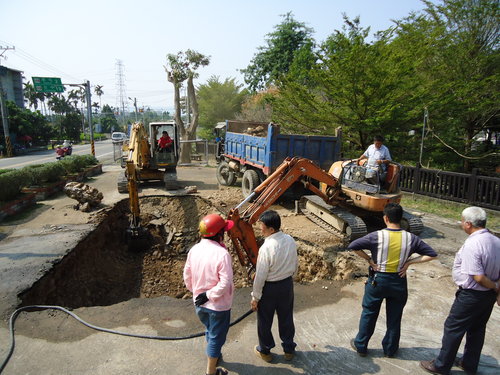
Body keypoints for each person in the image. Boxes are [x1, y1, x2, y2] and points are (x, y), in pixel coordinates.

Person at [349, 203, 437, 358]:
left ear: (386, 218)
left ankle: (361, 345)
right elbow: (432, 254)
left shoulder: (377, 236)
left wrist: (369, 260)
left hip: (378, 281)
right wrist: (409, 262)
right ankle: (390, 349)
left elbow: (354, 245)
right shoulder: (411, 238)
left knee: (369, 313)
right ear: (401, 218)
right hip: (398, 281)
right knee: (395, 317)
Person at [420, 206, 500, 375]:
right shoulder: (496, 241)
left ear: (469, 224)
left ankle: (441, 365)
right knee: (477, 329)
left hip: (472, 295)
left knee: (453, 328)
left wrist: (495, 286)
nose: (461, 224)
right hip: (487, 297)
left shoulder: (473, 243)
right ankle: (469, 364)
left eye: (462, 221)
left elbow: (478, 277)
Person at [183, 213, 234, 375]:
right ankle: (211, 371)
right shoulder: (222, 254)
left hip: (199, 304)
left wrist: (197, 293)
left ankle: (215, 356)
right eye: (223, 231)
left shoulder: (194, 250)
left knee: (210, 330)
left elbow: (187, 276)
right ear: (219, 233)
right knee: (216, 338)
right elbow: (225, 283)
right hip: (218, 306)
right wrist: (209, 295)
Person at [251, 210, 298, 363]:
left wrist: (255, 297)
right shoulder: (290, 240)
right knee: (286, 318)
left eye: (262, 226)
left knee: (265, 320)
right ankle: (289, 349)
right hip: (286, 285)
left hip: (269, 289)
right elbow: (295, 262)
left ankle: (265, 351)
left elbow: (260, 276)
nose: (260, 228)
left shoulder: (266, 248)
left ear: (271, 229)